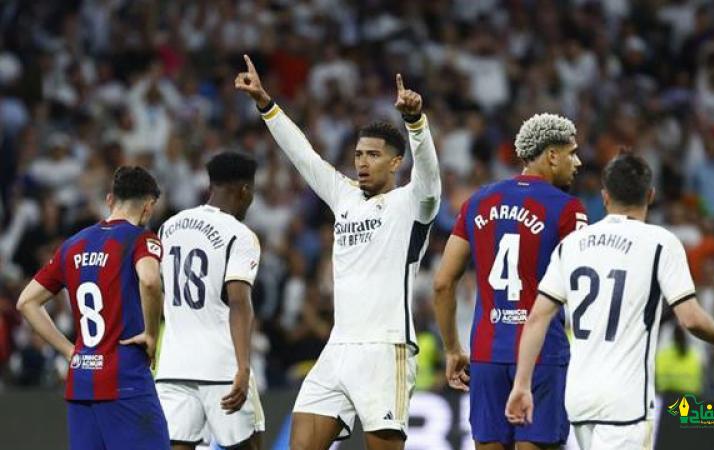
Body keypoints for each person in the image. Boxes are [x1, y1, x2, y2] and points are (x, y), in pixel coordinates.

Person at [235, 54, 441, 450]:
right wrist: (265, 103)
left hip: (385, 348)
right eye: (359, 154)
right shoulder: (344, 196)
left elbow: (430, 177)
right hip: (337, 347)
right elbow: (304, 156)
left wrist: (416, 124)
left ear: (396, 162)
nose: (362, 162)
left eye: (373, 155)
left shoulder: (411, 203)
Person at [505, 153, 714, 450]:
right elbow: (690, 318)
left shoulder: (571, 245)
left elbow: (537, 319)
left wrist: (522, 384)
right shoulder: (661, 243)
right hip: (625, 403)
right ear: (650, 195)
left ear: (605, 197)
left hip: (579, 398)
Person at [433, 113, 587, 450]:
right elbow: (583, 290)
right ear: (552, 155)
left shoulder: (476, 202)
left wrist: (453, 349)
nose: (577, 162)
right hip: (542, 356)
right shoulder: (568, 210)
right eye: (572, 153)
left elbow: (443, 282)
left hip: (486, 354)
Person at [16, 166, 168, 450]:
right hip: (126, 382)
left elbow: (26, 302)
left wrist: (68, 350)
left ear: (110, 200)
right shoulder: (142, 239)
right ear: (149, 207)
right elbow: (149, 281)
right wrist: (151, 334)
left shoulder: (73, 244)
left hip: (81, 383)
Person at [155, 152, 264, 450]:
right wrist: (243, 367)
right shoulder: (240, 235)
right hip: (221, 365)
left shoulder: (169, 226)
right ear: (245, 190)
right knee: (250, 446)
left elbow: (154, 288)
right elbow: (239, 302)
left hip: (174, 365)